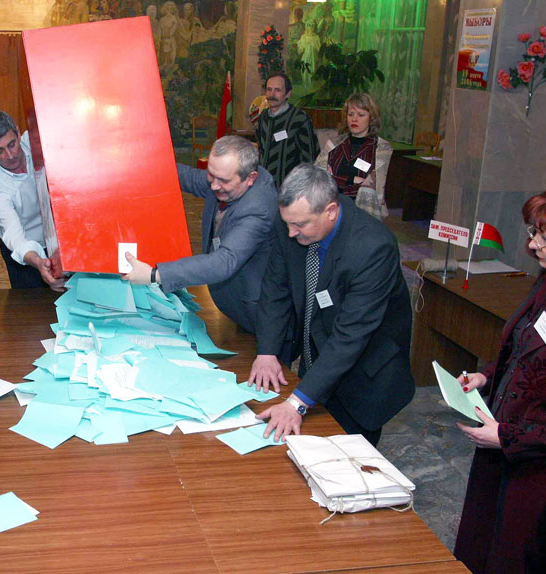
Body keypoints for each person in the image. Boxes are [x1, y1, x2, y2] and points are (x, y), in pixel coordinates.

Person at [248, 163, 414, 446]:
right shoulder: (290, 222)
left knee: (349, 464)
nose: (290, 233)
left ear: (331, 211)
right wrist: (267, 352)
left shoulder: (373, 247)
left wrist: (298, 403)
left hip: (364, 375)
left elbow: (351, 335)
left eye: (300, 225)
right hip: (317, 360)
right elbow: (274, 290)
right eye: (288, 222)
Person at [453, 189, 546, 573]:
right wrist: (486, 376)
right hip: (502, 448)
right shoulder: (544, 282)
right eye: (534, 232)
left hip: (535, 469)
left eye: (544, 237)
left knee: (517, 555)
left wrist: (507, 436)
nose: (531, 244)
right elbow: (523, 347)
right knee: (482, 544)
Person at [123, 136, 277, 334]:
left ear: (251, 178)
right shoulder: (229, 180)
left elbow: (224, 261)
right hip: (234, 305)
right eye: (211, 175)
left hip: (259, 314)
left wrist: (155, 274)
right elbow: (188, 177)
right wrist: (140, 163)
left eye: (222, 180)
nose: (213, 186)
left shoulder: (259, 208)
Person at [0, 110, 64, 291]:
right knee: (32, 308)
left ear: (17, 132)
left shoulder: (36, 140)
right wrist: (38, 261)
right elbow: (16, 237)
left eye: (12, 144)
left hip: (61, 239)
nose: (10, 155)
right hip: (27, 250)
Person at [315, 93, 392, 220]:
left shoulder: (381, 148)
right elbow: (317, 176)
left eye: (361, 115)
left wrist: (334, 178)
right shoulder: (333, 144)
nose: (354, 119)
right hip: (331, 205)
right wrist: (352, 179)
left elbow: (373, 186)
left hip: (363, 210)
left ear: (371, 118)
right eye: (351, 114)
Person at [255, 71, 320, 189]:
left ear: (288, 94)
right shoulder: (263, 117)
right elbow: (260, 149)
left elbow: (310, 156)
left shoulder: (299, 119)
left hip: (290, 188)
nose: (272, 94)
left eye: (277, 90)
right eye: (269, 89)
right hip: (264, 186)